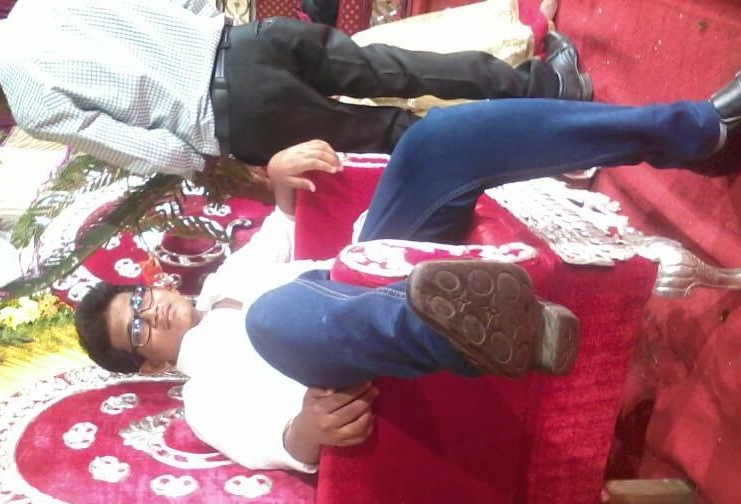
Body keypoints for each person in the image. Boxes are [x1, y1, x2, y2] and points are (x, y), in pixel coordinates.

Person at [74, 70, 740, 472]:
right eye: (137, 329)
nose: (149, 313)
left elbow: (283, 224)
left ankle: (699, 132)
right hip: (353, 361)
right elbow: (280, 443)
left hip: (374, 264)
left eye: (138, 300)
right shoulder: (203, 399)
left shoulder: (225, 280)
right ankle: (482, 328)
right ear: (151, 364)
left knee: (432, 143)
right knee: (276, 317)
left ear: (154, 285)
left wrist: (277, 178)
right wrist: (308, 431)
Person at [0, 0, 592, 180]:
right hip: (250, 43)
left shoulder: (32, 103)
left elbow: (153, 153)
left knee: (400, 133)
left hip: (241, 116)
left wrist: (216, 164)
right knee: (395, 67)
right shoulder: (39, 6)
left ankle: (552, 147)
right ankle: (549, 85)